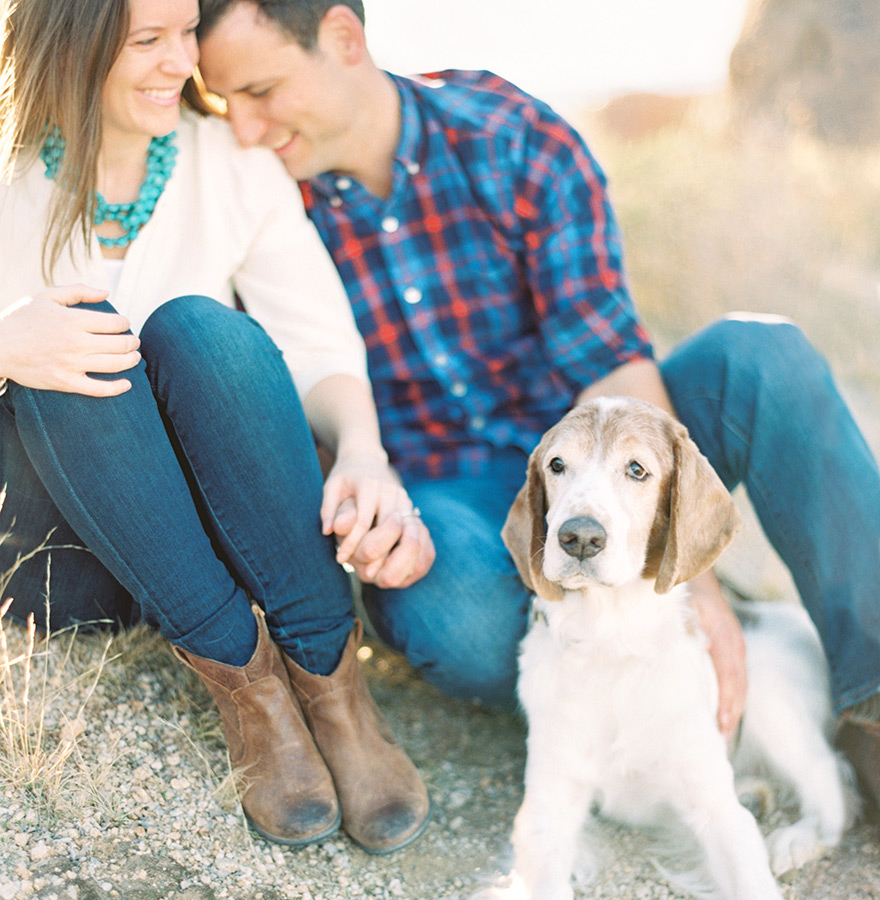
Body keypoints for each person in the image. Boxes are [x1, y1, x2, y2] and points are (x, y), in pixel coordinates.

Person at [191, 0, 880, 813]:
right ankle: (610, 661)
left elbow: (608, 362)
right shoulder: (257, 197)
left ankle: (870, 698)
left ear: (343, 38)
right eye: (223, 101)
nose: (242, 126)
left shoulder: (511, 136)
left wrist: (693, 579)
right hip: (451, 501)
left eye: (261, 90)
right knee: (444, 611)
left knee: (766, 356)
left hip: (600, 443)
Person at [0, 0, 432, 855]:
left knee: (201, 327)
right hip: (65, 556)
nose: (181, 62)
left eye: (187, 31)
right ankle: (250, 690)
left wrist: (366, 454)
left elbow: (315, 341)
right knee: (68, 334)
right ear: (74, 43)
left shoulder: (226, 160)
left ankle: (329, 681)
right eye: (149, 40)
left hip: (200, 528)